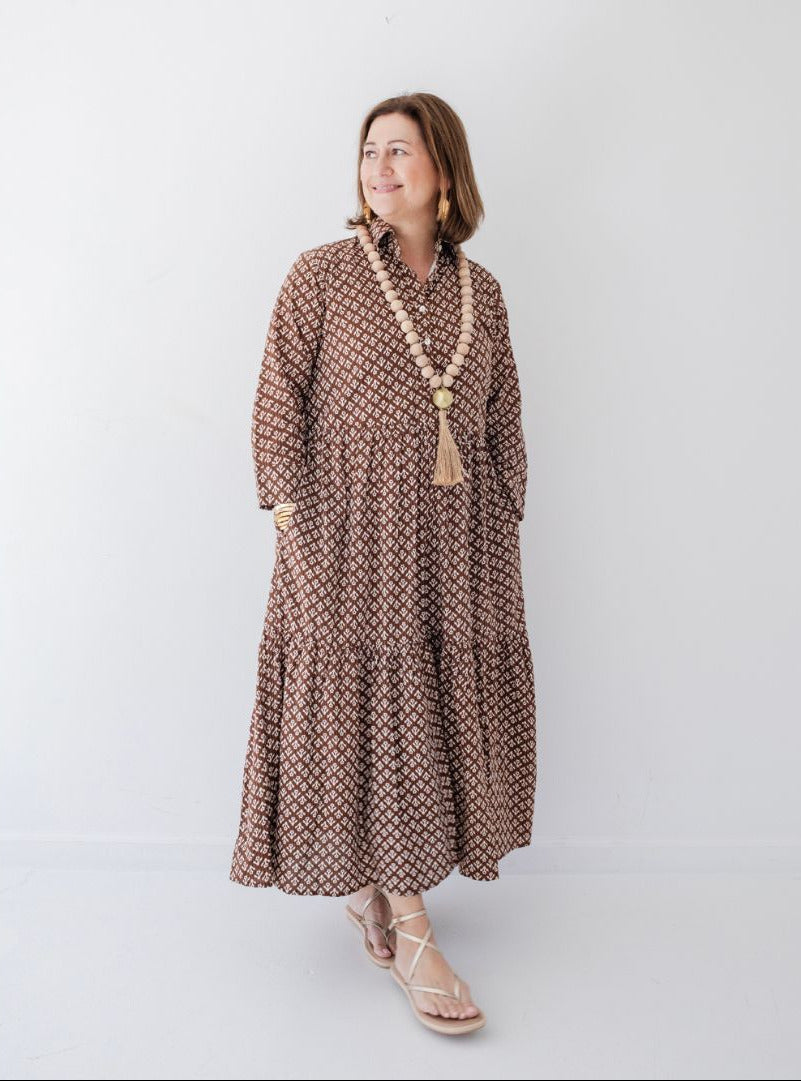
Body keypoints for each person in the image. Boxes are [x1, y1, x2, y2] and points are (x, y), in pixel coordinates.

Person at [230, 92, 537, 1036]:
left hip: (455, 545)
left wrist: (505, 511)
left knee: (424, 710)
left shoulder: (481, 292)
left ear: (444, 171)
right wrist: (289, 512)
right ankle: (410, 925)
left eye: (400, 151)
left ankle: (373, 888)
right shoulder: (321, 274)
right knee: (361, 704)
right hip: (345, 537)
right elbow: (277, 395)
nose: (379, 168)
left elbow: (501, 413)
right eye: (369, 152)